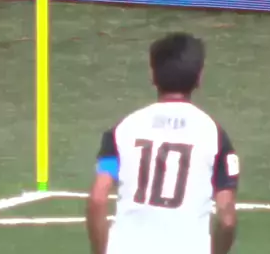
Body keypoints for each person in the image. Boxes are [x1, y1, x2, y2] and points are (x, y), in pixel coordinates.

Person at [86, 33, 239, 254]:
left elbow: (98, 199)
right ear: (199, 77)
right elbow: (227, 219)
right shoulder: (214, 135)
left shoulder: (123, 130)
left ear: (152, 75)